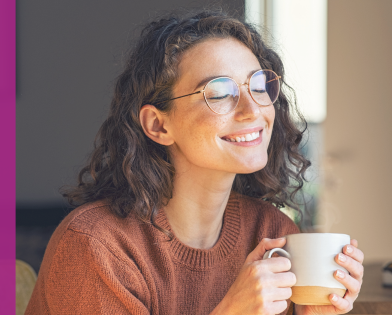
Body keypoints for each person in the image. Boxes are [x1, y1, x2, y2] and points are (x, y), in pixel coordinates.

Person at [25, 9, 364, 315]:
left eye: (259, 85)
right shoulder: (97, 246)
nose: (253, 110)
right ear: (159, 125)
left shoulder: (271, 233)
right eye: (219, 93)